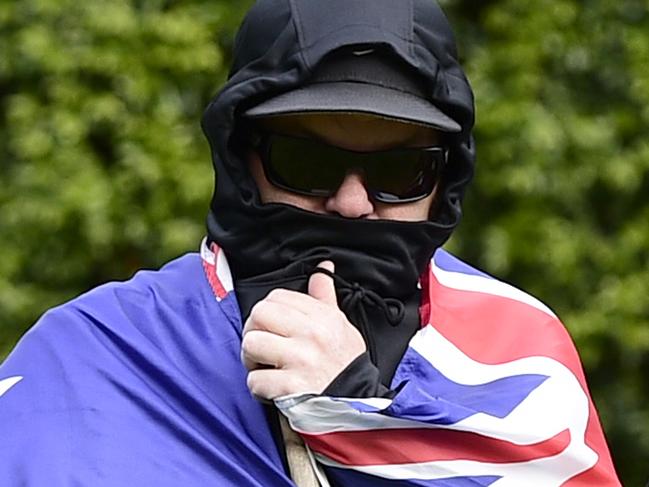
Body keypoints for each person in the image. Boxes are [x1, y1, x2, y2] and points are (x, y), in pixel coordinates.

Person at [0, 0, 620, 485]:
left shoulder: (521, 350)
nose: (352, 202)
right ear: (242, 162)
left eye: (402, 172)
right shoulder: (94, 355)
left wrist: (357, 416)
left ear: (445, 179)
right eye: (307, 161)